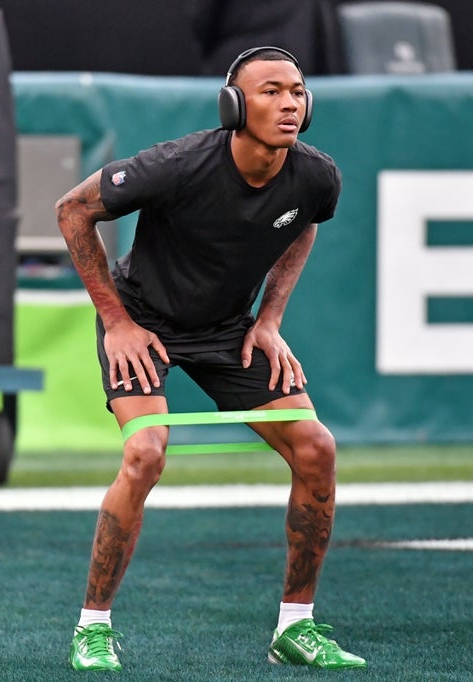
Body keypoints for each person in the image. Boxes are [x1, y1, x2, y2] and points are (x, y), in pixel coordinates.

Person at [55, 46, 365, 672]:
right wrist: (116, 322)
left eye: (298, 92)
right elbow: (73, 212)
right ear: (234, 106)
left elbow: (304, 223)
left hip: (228, 330)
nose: (289, 103)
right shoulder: (174, 166)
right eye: (272, 91)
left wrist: (270, 319)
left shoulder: (316, 177)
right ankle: (92, 629)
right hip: (143, 321)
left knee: (317, 450)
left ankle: (295, 629)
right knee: (145, 453)